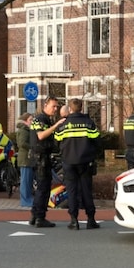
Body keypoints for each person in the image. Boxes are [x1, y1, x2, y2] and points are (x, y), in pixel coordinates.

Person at [55, 98, 101, 230]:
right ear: (81, 108)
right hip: (85, 162)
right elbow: (97, 141)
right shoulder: (88, 123)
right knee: (86, 190)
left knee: (72, 191)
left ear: (70, 109)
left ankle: (74, 220)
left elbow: (57, 142)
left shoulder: (63, 125)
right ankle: (90, 219)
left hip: (68, 162)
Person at [28, 97, 65, 228]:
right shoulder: (40, 119)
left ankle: (34, 215)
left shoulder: (45, 119)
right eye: (53, 106)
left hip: (41, 157)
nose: (55, 109)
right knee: (43, 189)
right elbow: (40, 135)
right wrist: (56, 126)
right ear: (45, 105)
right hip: (40, 158)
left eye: (57, 107)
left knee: (41, 188)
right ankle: (40, 217)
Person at [15, 113, 35, 208]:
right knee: (25, 180)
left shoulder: (26, 130)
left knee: (28, 180)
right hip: (25, 158)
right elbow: (22, 143)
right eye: (30, 119)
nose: (32, 121)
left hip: (27, 158)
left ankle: (27, 199)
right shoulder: (24, 130)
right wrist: (32, 147)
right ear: (26, 120)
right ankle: (25, 200)